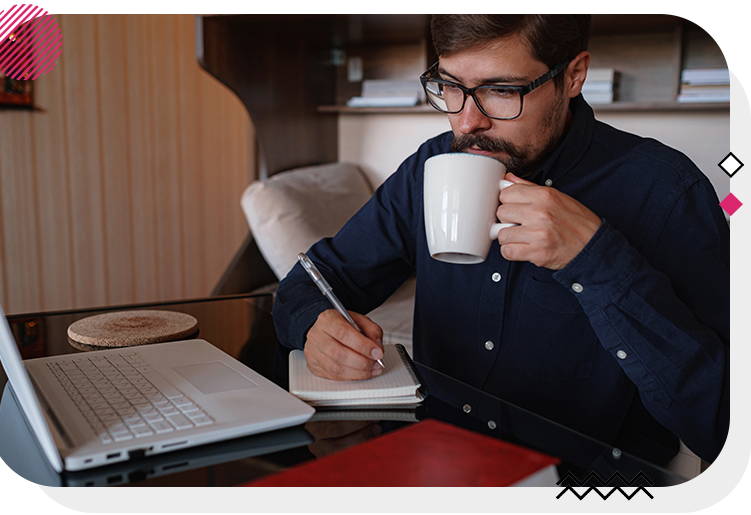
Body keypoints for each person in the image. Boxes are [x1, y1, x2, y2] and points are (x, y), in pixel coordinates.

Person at [272, 14, 729, 464]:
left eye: (501, 90)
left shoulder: (667, 192)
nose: (468, 122)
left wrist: (596, 258)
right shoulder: (431, 169)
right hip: (432, 459)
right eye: (451, 86)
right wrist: (316, 327)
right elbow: (308, 284)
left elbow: (722, 423)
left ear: (573, 76)